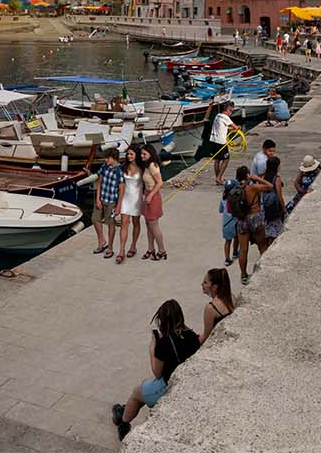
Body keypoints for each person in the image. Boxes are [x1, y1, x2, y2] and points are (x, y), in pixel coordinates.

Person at [112, 299, 202, 441]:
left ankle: (123, 423)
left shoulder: (164, 342)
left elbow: (157, 372)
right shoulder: (192, 335)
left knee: (136, 393)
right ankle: (126, 412)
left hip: (168, 385)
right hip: (186, 380)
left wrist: (152, 347)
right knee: (144, 386)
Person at [139, 146, 168, 262]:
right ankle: (151, 248)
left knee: (154, 225)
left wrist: (150, 195)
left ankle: (162, 250)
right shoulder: (147, 165)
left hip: (153, 197)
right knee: (148, 224)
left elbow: (160, 182)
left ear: (150, 154)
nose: (142, 156)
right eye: (141, 154)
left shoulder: (152, 166)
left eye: (144, 154)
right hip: (147, 195)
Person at [95, 149, 124, 258]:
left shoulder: (119, 171)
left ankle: (110, 248)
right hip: (102, 198)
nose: (105, 160)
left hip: (112, 201)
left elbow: (122, 190)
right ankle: (102, 241)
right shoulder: (104, 166)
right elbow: (99, 182)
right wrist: (97, 199)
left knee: (110, 224)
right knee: (95, 219)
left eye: (108, 158)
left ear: (114, 158)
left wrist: (118, 206)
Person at [116, 149, 144, 264]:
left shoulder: (142, 168)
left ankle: (133, 246)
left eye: (131, 154)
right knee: (124, 224)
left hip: (137, 199)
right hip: (125, 199)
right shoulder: (123, 167)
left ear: (136, 155)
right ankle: (121, 251)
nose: (129, 156)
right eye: (128, 154)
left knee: (136, 222)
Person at [220, 169, 248, 267]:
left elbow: (220, 210)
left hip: (226, 224)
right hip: (235, 222)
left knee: (227, 241)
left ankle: (227, 259)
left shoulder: (223, 199)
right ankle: (235, 252)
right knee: (237, 238)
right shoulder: (236, 198)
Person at [199, 268, 236, 342]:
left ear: (214, 287)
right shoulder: (231, 297)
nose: (202, 284)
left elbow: (206, 336)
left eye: (205, 282)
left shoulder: (211, 308)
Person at [207, 103, 235, 183]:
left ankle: (218, 178)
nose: (231, 113)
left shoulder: (218, 115)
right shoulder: (226, 117)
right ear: (228, 110)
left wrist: (230, 129)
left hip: (213, 140)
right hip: (221, 142)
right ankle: (219, 177)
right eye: (231, 111)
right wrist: (238, 128)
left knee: (217, 160)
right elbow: (235, 127)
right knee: (226, 159)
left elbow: (224, 127)